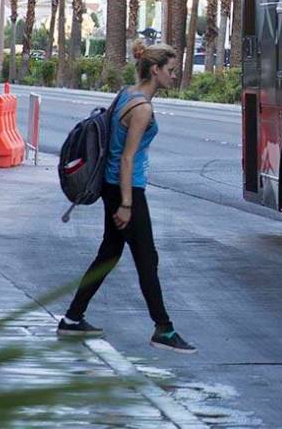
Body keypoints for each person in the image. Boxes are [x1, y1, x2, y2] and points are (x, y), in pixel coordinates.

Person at [57, 41, 195, 354]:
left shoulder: (126, 94)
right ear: (155, 70)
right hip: (127, 189)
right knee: (147, 258)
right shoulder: (142, 108)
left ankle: (73, 318)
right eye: (171, 70)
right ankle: (164, 328)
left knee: (109, 253)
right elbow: (127, 158)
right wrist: (127, 203)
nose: (175, 75)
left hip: (111, 186)